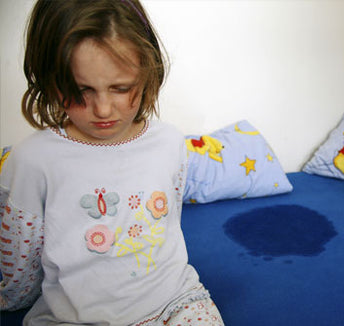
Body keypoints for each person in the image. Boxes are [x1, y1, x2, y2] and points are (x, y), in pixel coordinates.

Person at [0, 1, 224, 325]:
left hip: (176, 303)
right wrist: (12, 299)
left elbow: (168, 223)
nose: (103, 109)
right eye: (81, 90)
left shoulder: (170, 143)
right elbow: (20, 265)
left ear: (148, 72)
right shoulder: (32, 161)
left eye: (121, 88)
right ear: (50, 79)